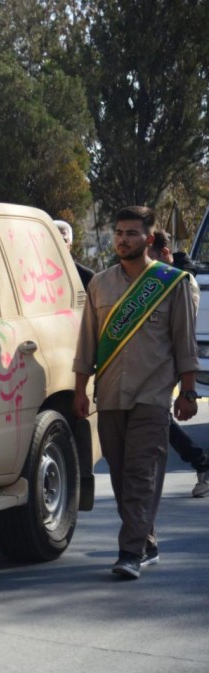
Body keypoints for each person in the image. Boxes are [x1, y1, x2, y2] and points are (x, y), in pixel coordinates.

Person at [73, 206, 199, 580]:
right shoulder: (99, 284)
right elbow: (87, 343)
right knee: (121, 476)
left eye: (131, 233)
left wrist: (188, 392)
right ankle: (147, 541)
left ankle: (129, 552)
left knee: (142, 472)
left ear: (149, 238)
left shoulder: (171, 283)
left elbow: (184, 343)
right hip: (110, 394)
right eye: (118, 232)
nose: (123, 239)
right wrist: (79, 390)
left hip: (153, 395)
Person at [147, 229, 209, 498]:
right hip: (152, 361)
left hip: (169, 360)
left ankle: (202, 464)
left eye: (150, 259)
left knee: (157, 416)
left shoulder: (184, 282)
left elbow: (182, 332)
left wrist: (187, 388)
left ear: (165, 254)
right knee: (155, 418)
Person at [55, 219, 96, 289]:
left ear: (70, 246)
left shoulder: (87, 277)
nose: (58, 243)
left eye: (63, 240)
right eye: (54, 239)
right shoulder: (36, 274)